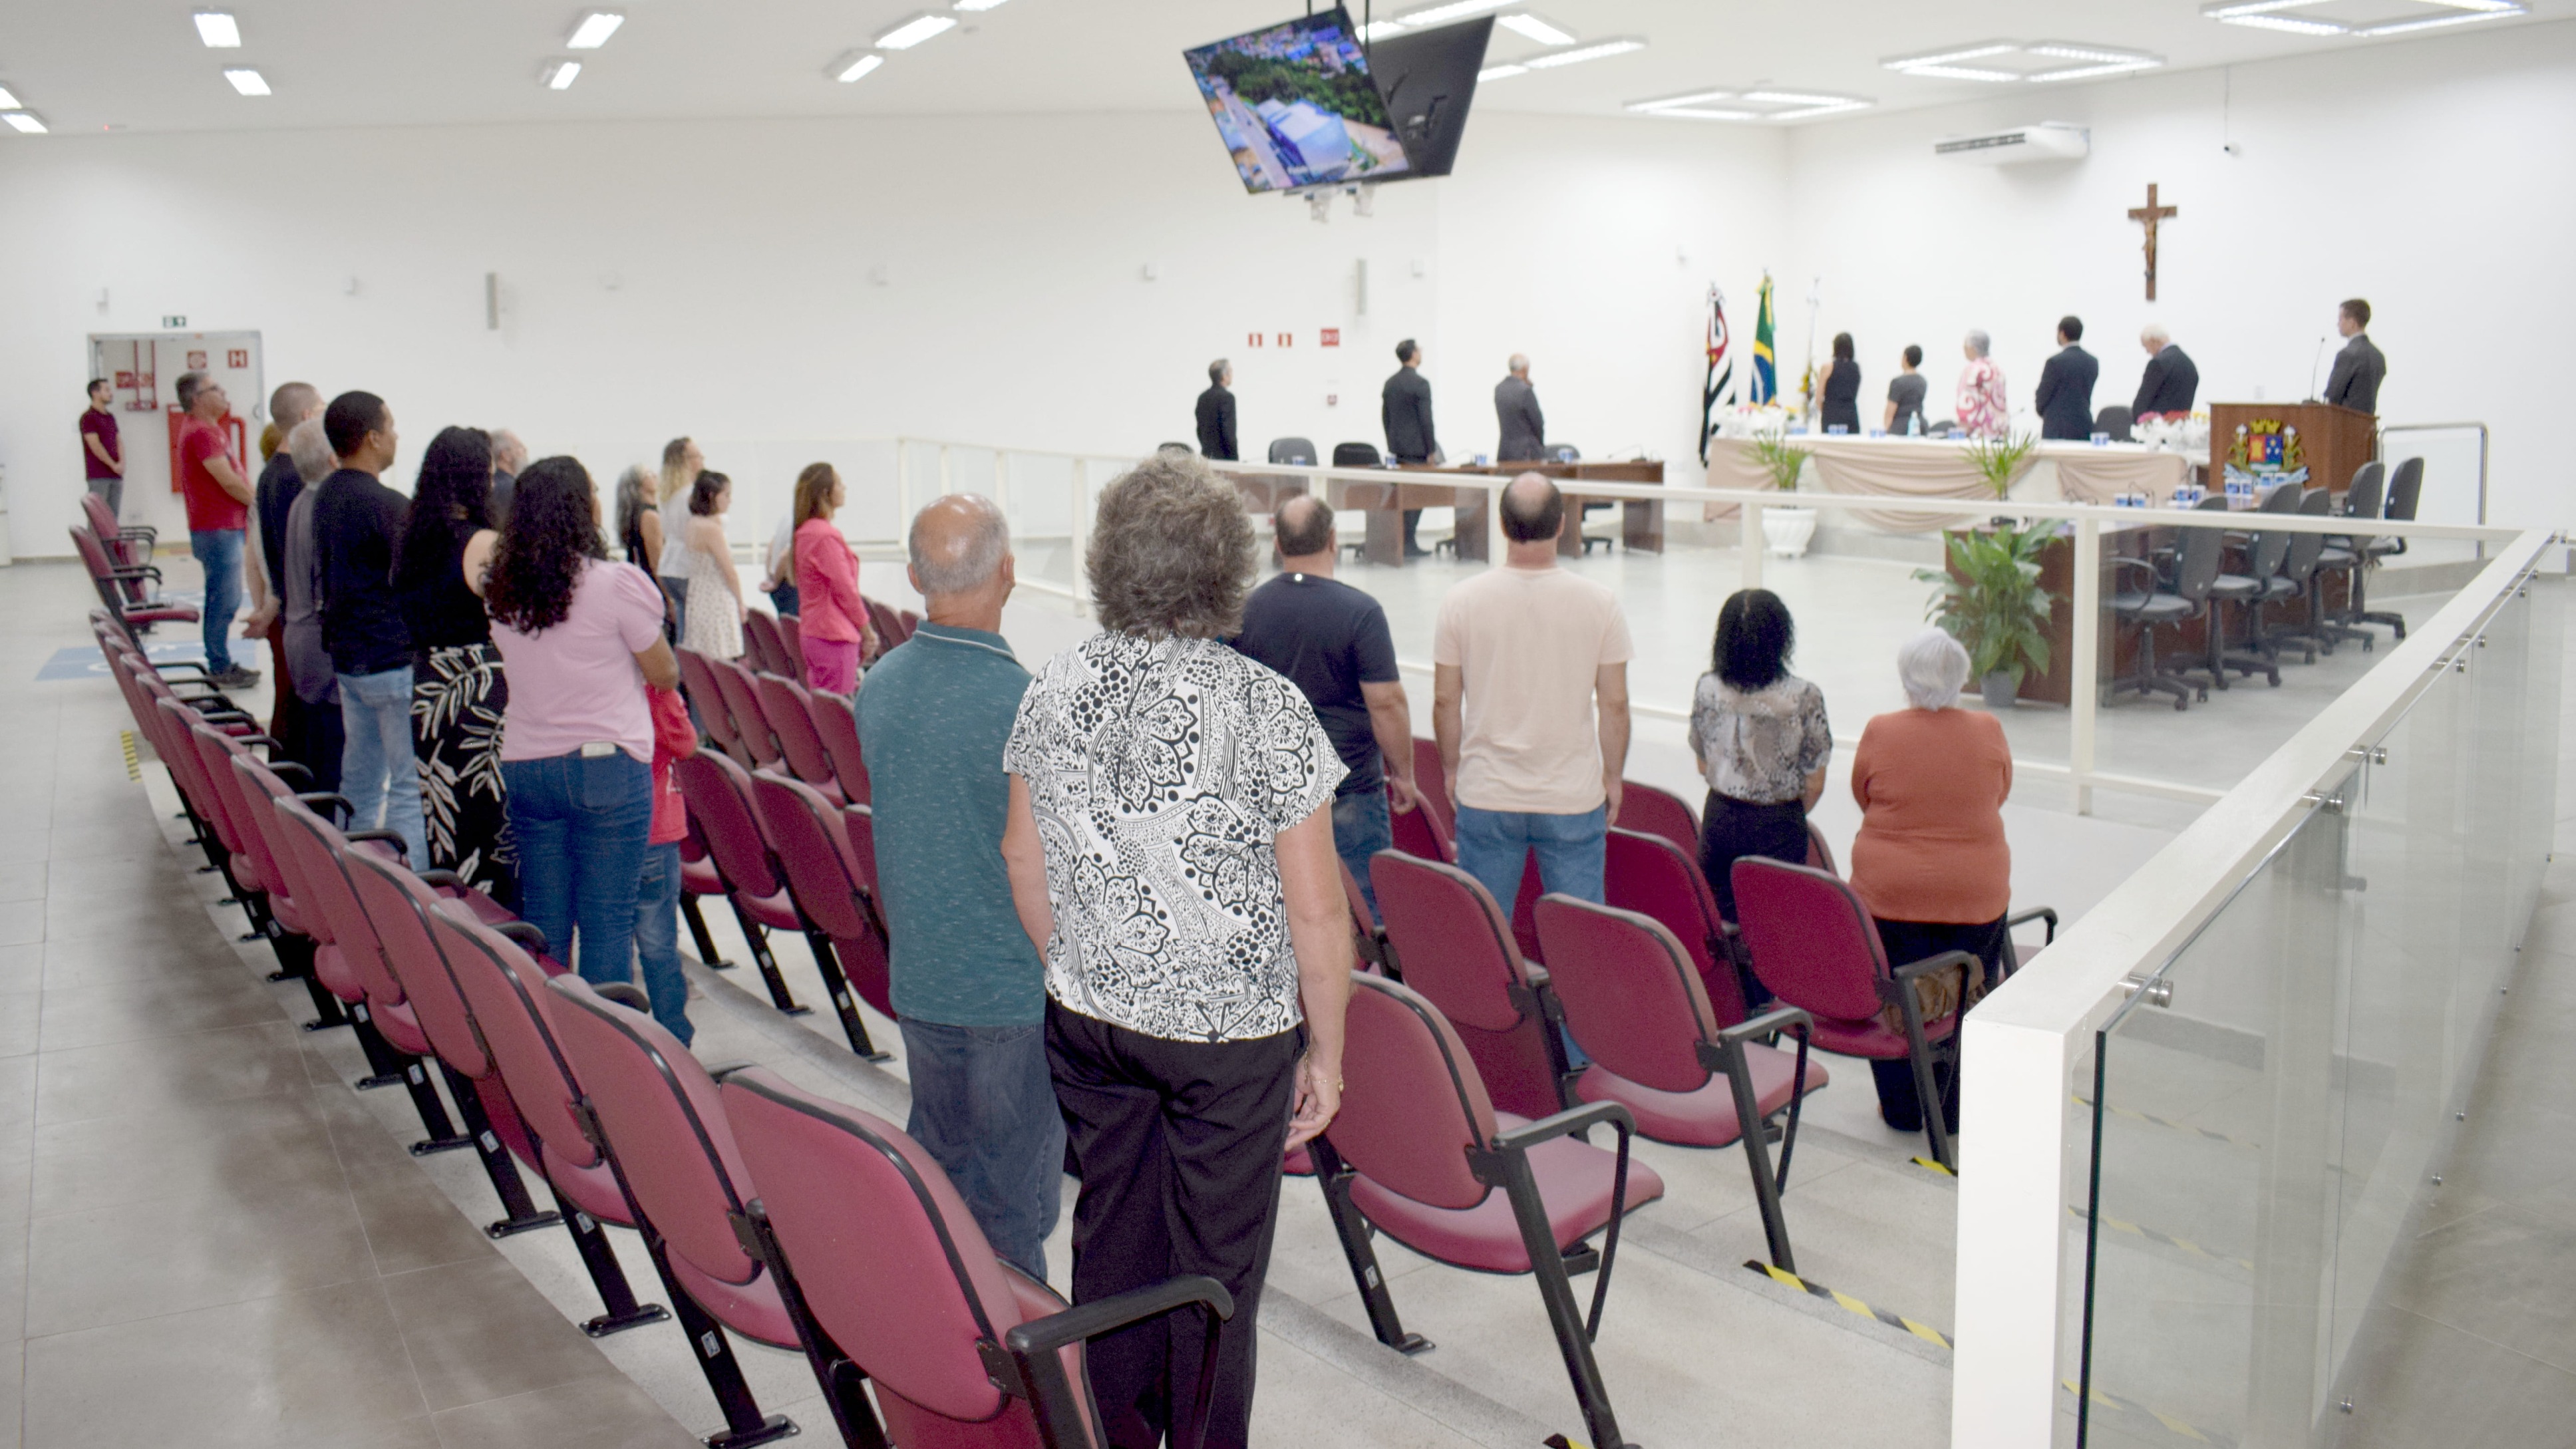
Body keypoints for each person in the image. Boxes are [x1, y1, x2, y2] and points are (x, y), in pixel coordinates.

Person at [999, 450, 1350, 1449]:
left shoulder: (1055, 682)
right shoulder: (1265, 708)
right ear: (1226, 567)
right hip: (1229, 1044)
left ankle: (1118, 1430)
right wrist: (1327, 1054)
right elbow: (1318, 915)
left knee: (1113, 1239)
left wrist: (1083, 963)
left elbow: (1023, 855)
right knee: (1215, 1274)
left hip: (1091, 1022)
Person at [856, 493, 1061, 1281]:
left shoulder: (878, 687)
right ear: (1009, 573)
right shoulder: (1029, 703)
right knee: (1014, 1208)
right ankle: (1020, 1374)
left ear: (911, 576)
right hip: (1011, 991)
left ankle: (946, 1331)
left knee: (942, 1180)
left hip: (921, 978)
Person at [482, 456, 677, 986]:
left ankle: (547, 1050)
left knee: (545, 922)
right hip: (606, 770)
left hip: (528, 767)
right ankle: (604, 1060)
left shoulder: (501, 590)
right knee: (607, 924)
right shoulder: (616, 584)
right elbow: (664, 671)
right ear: (582, 509)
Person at [1432, 474, 1633, 913]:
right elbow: (1614, 704)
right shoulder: (1600, 603)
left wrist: (1452, 769)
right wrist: (1613, 777)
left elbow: (1446, 700)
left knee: (1486, 937)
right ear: (1562, 525)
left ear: (1502, 526)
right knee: (1582, 936)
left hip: (1487, 789)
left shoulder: (1461, 601)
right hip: (1571, 795)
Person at [1847, 629, 2013, 1132]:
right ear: (1962, 678)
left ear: (1905, 680)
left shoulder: (1881, 730)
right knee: (1968, 994)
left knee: (1895, 995)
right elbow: (1999, 792)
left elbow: (1864, 793)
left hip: (1889, 895)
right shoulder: (1988, 729)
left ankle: (1900, 1110)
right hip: (1975, 897)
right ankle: (1954, 1109)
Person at [1230, 495, 1417, 918]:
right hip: (1350, 789)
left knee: (1282, 911)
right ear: (1333, 539)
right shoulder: (1362, 613)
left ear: (1278, 543)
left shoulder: (1245, 612)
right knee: (1363, 916)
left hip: (1272, 792)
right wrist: (1403, 773)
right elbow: (1386, 703)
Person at [393, 425, 516, 902]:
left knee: (445, 821)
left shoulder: (411, 537)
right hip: (478, 696)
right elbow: (515, 616)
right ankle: (499, 924)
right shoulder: (483, 543)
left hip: (429, 689)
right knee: (489, 826)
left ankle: (460, 926)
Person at [313, 391, 428, 870]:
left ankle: (352, 876)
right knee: (406, 783)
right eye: (392, 427)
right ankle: (413, 888)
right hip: (391, 657)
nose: (397, 436)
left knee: (358, 778)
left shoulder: (325, 496)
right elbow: (414, 578)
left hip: (348, 659)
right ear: (372, 438)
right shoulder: (387, 504)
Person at [1690, 589, 1830, 920]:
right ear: (1783, 639)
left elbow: (1702, 763)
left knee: (1722, 925)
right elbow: (1816, 782)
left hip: (1720, 818)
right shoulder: (1803, 697)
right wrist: (1785, 813)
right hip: (1777, 825)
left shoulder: (1707, 687)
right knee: (1775, 928)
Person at [174, 371, 261, 689]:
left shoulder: (209, 430)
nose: (224, 393)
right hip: (217, 529)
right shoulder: (202, 433)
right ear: (197, 400)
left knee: (225, 598)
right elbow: (226, 480)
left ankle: (220, 661)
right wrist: (258, 504)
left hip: (222, 527)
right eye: (215, 389)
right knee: (224, 600)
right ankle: (220, 665)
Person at [253, 382, 325, 754]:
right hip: (297, 617)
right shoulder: (293, 482)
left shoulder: (271, 474)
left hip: (287, 613)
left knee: (290, 707)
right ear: (308, 416)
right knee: (296, 715)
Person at [278, 418, 347, 794]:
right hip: (320, 645)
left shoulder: (301, 502)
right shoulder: (325, 508)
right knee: (332, 756)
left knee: (319, 748)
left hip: (299, 637)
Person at [633, 679, 699, 1045]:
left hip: (607, 832)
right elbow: (685, 743)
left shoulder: (601, 683)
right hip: (655, 830)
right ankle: (675, 1039)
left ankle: (621, 1040)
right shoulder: (655, 690)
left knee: (610, 941)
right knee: (658, 946)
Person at [792, 462, 872, 694]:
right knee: (837, 716)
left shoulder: (806, 531)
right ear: (826, 493)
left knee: (824, 711)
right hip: (832, 635)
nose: (844, 487)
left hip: (815, 632)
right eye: (839, 483)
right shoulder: (824, 536)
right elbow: (845, 589)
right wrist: (866, 630)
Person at [677, 470, 746, 661]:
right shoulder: (712, 531)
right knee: (723, 658)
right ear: (712, 496)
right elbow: (729, 571)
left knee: (705, 662)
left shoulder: (693, 524)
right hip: (716, 599)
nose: (730, 500)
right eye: (726, 495)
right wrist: (741, 602)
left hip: (699, 596)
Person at [1381, 338, 1440, 558]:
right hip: (1417, 451)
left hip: (1397, 450)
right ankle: (1409, 543)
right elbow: (1426, 420)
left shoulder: (1390, 383)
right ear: (1414, 354)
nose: (1421, 352)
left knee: (1401, 497)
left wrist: (1391, 442)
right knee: (1415, 498)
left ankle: (1403, 541)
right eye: (1419, 350)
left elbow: (1385, 418)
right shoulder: (1421, 384)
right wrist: (1431, 449)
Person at [655, 436, 704, 635]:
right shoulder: (691, 495)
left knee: (685, 625)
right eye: (698, 456)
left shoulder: (668, 495)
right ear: (687, 460)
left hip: (669, 566)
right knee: (697, 630)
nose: (702, 461)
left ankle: (683, 664)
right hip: (688, 567)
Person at [2034, 315, 2098, 441]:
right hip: (2083, 425)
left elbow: (2043, 396)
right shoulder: (2092, 362)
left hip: (2057, 428)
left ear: (2062, 333)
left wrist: (2045, 413)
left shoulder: (2055, 362)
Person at [2325, 298, 2386, 415]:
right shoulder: (2378, 356)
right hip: (2368, 424)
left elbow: (2333, 395)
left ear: (2352, 322)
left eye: (2340, 319)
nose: (2338, 324)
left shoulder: (2347, 355)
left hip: (2345, 424)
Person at [2131, 326, 2199, 422]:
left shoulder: (2158, 363)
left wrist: (2138, 421)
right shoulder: (2189, 364)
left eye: (2146, 347)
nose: (2147, 352)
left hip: (2158, 428)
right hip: (2181, 427)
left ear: (2153, 341)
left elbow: (2143, 401)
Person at [80, 378, 123, 519]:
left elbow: (118, 441)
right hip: (99, 476)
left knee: (112, 519)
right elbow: (95, 446)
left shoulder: (110, 417)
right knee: (98, 519)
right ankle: (96, 542)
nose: (110, 393)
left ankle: (112, 543)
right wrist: (112, 464)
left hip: (115, 475)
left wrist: (121, 463)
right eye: (107, 390)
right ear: (95, 393)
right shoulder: (88, 418)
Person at [1956, 331, 2007, 440]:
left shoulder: (1973, 370)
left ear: (1972, 348)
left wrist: (1964, 426)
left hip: (1979, 433)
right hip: (1999, 430)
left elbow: (1967, 403)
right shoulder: (1997, 369)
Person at [1494, 353, 1545, 462]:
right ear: (1525, 368)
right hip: (1527, 453)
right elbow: (1538, 423)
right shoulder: (1525, 391)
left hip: (1505, 451)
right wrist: (1540, 446)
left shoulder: (1499, 389)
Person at [1818, 332, 1861, 435]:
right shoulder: (1856, 368)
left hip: (1831, 412)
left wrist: (1825, 411)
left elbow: (1819, 396)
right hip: (1851, 413)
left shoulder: (1828, 367)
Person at [1196, 359, 1239, 462]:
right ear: (1224, 376)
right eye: (1231, 371)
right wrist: (1235, 458)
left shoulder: (1203, 397)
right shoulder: (1227, 398)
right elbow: (1228, 432)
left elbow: (1199, 430)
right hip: (1224, 459)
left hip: (1206, 456)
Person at [1884, 345, 1928, 436]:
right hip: (1920, 426)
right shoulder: (1922, 381)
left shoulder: (1898, 382)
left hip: (1900, 428)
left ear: (1905, 358)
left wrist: (1886, 430)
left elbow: (1890, 411)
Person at [488, 428, 528, 524]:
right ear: (506, 455)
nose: (525, 450)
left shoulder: (489, 486)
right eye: (520, 447)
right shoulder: (514, 489)